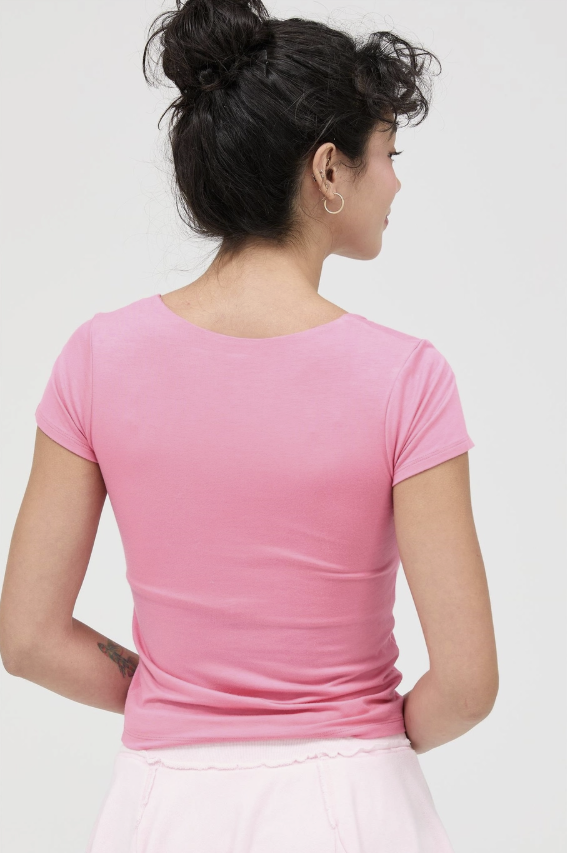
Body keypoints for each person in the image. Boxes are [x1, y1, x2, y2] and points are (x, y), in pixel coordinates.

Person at [0, 0, 499, 850]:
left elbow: (29, 637)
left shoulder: (97, 358)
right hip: (355, 796)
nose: (396, 182)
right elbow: (466, 683)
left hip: (162, 805)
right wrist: (359, 738)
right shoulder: (405, 377)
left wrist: (185, 700)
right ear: (328, 172)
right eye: (387, 154)